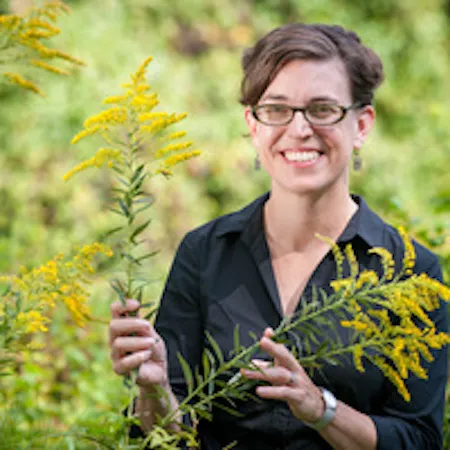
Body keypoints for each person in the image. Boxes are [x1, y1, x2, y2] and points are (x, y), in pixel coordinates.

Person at [109, 23, 448, 450]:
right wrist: (153, 389)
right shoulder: (204, 252)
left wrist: (321, 408)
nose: (299, 129)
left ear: (361, 125)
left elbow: (420, 439)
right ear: (253, 125)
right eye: (277, 109)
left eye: (323, 109)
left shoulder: (410, 272)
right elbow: (166, 438)